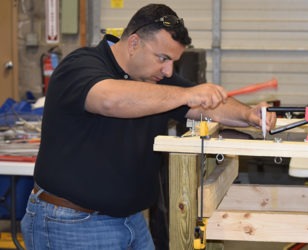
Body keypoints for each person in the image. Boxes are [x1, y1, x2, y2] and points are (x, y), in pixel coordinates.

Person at [21, 3, 276, 250]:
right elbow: (110, 99)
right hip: (73, 223)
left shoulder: (155, 80)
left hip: (131, 221)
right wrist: (186, 95)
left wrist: (248, 114)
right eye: (162, 58)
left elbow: (206, 106)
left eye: (173, 62)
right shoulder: (80, 66)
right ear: (133, 43)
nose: (167, 71)